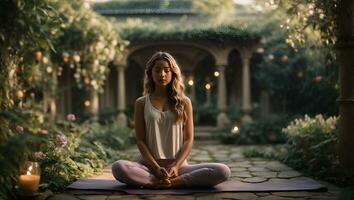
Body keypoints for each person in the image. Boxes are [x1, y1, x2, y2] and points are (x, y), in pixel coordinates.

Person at [112, 51, 231, 189]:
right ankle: (159, 180)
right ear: (150, 73)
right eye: (157, 70)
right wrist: (156, 168)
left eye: (166, 70)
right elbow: (140, 140)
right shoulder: (141, 103)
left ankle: (169, 183)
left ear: (173, 73)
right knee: (118, 167)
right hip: (148, 167)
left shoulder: (184, 102)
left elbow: (188, 139)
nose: (162, 74)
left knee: (223, 171)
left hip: (178, 167)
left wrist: (176, 166)